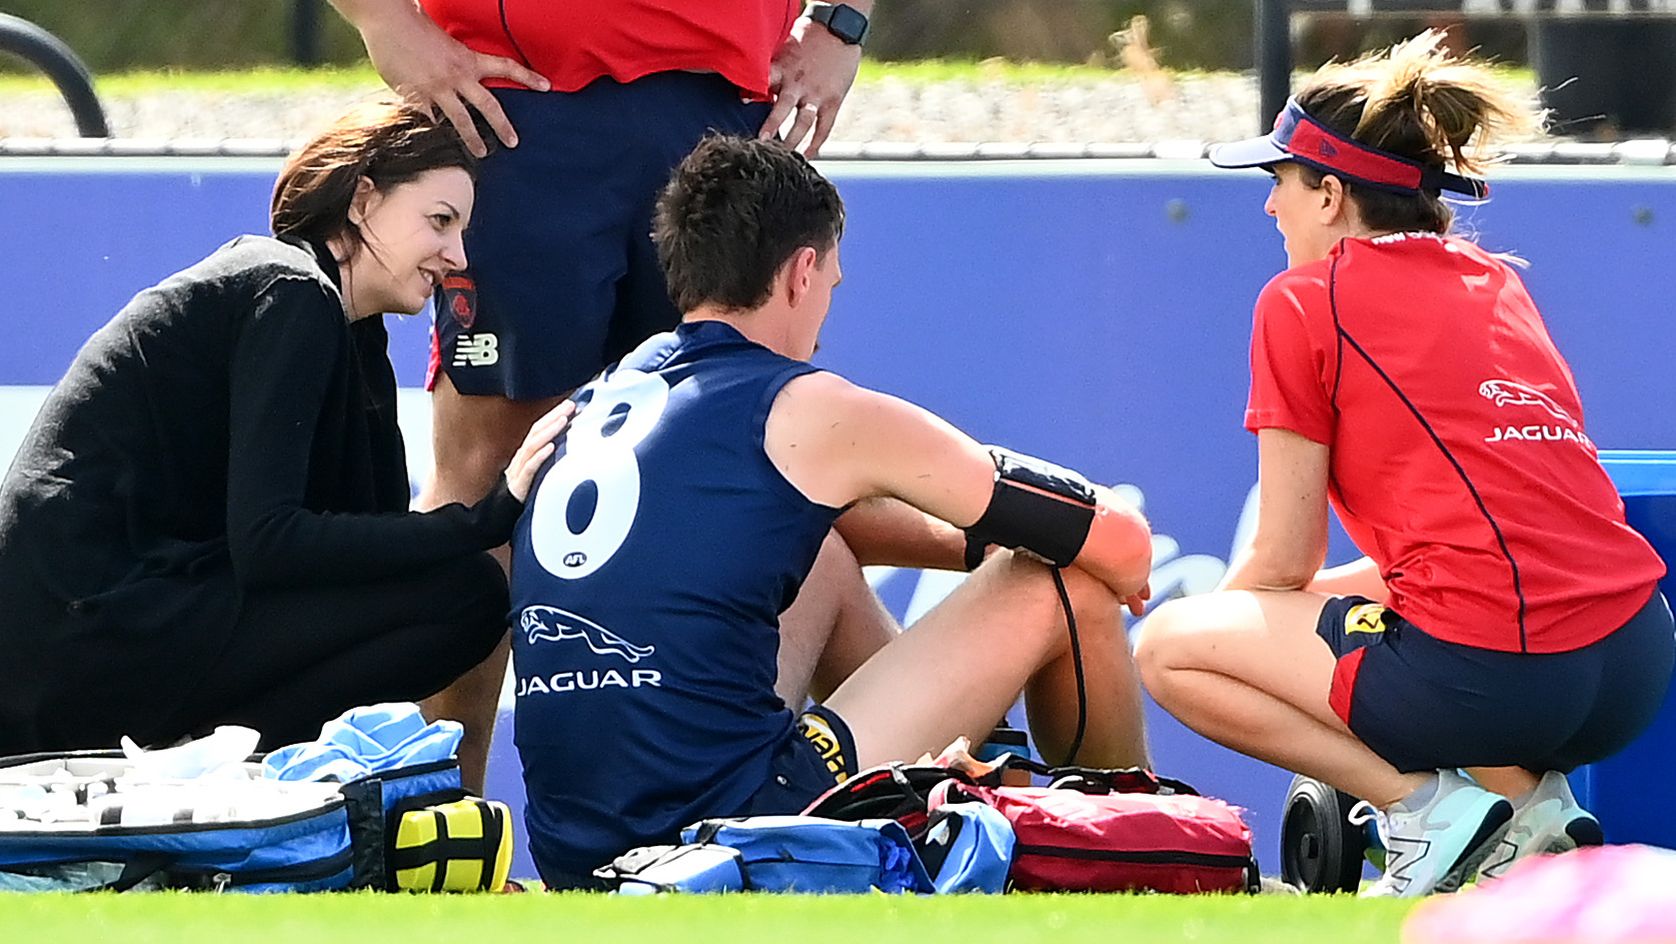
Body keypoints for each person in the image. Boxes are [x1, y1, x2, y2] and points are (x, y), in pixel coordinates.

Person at [507, 135, 1155, 887]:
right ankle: (1142, 860)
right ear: (802, 271)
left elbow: (799, 520)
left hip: (578, 853)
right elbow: (1123, 541)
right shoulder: (805, 404)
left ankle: (976, 789)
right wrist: (1034, 546)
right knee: (1066, 588)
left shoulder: (605, 393)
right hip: (729, 832)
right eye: (833, 285)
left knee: (819, 550)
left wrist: (981, 549)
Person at [1133, 33, 1674, 898]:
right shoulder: (1495, 279)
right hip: (1636, 661)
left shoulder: (1304, 299)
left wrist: (1254, 641)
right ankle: (1534, 815)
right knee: (1389, 619)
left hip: (1503, 677)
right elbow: (1485, 546)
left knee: (1170, 648)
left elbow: (1281, 560)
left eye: (1281, 183)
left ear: (1333, 194)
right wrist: (1312, 619)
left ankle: (1429, 814)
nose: (1271, 208)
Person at [326, 0, 876, 788]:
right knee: (488, 487)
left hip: (731, 105)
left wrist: (842, 24)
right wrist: (385, 20)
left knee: (755, 477)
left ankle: (737, 834)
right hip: (520, 108)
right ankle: (429, 839)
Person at [0, 99, 569, 757]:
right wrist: (483, 519)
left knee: (455, 593)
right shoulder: (290, 289)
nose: (456, 254)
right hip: (78, 638)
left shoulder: (350, 329)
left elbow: (359, 536)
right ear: (362, 201)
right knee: (461, 595)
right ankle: (216, 779)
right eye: (439, 221)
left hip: (135, 616)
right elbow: (270, 542)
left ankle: (241, 784)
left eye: (463, 230)